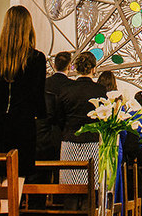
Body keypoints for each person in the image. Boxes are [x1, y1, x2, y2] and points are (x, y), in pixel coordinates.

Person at [0, 5, 47, 216]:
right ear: (28, 28)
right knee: (10, 198)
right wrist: (43, 117)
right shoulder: (36, 59)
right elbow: (38, 99)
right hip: (21, 129)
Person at [59, 52, 106, 187]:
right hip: (93, 142)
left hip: (69, 141)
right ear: (93, 69)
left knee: (69, 187)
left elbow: (59, 117)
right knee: (91, 186)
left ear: (77, 68)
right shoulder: (100, 90)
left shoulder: (66, 89)